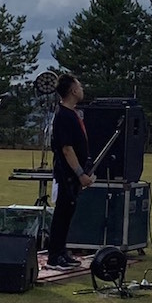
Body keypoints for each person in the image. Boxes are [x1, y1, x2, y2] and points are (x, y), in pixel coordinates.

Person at [46, 73, 95, 270]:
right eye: (80, 86)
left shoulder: (73, 113)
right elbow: (67, 149)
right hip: (67, 174)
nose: (82, 89)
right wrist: (80, 173)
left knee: (68, 213)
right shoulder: (63, 116)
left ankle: (61, 251)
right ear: (73, 91)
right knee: (62, 213)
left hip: (73, 175)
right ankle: (54, 256)